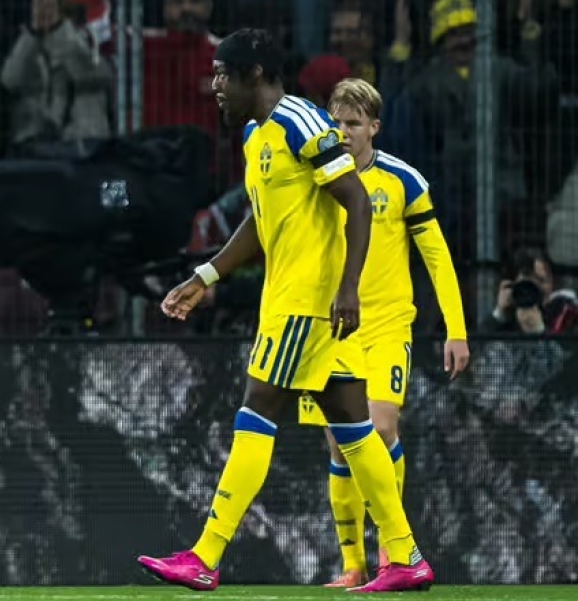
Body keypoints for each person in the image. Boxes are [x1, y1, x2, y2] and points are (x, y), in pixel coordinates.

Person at [135, 29, 433, 593]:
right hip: (294, 300)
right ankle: (406, 556)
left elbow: (357, 201)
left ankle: (205, 555)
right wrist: (206, 276)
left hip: (306, 303)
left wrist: (348, 289)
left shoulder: (301, 122)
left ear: (254, 75)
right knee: (354, 427)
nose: (214, 85)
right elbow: (260, 221)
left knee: (257, 410)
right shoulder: (257, 135)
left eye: (223, 74)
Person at [301, 78, 469, 588]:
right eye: (336, 122)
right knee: (339, 446)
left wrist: (456, 330)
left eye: (354, 123)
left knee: (380, 428)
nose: (343, 131)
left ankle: (393, 554)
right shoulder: (315, 178)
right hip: (330, 328)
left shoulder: (402, 181)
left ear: (374, 126)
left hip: (387, 325)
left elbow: (436, 257)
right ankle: (352, 565)